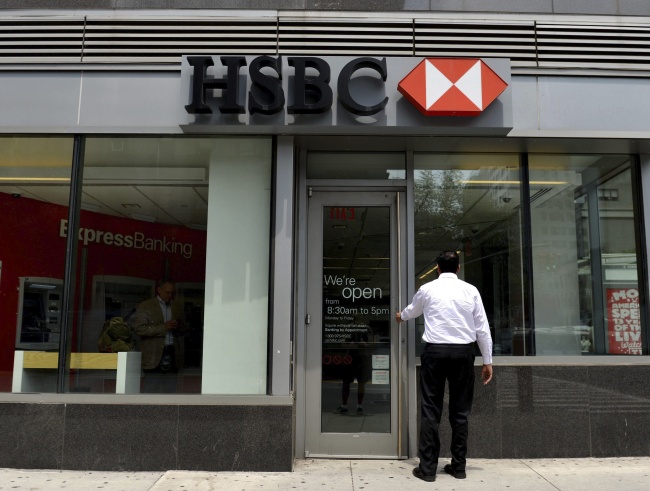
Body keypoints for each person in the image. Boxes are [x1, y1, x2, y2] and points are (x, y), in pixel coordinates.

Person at [395, 251, 493, 482]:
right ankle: (458, 467)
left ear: (437, 268)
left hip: (435, 353)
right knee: (460, 412)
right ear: (458, 268)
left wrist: (401, 316)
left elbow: (412, 310)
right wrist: (487, 360)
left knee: (431, 409)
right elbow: (482, 327)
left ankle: (428, 469)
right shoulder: (470, 290)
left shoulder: (427, 289)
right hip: (463, 354)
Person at [134, 278, 187, 393]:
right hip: (153, 355)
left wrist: (179, 327)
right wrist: (164, 327)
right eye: (167, 292)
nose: (170, 295)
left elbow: (184, 330)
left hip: (172, 353)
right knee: (151, 390)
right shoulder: (146, 306)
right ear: (159, 290)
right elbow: (139, 329)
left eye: (172, 293)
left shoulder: (177, 307)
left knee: (170, 391)